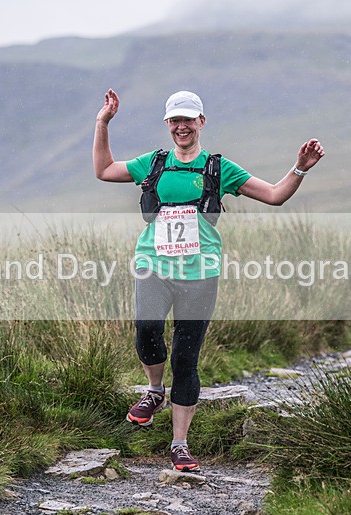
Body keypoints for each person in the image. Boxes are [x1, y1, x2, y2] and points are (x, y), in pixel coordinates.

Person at [93, 88, 324, 472]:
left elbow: (274, 195)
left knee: (186, 358)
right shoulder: (153, 163)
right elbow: (104, 170)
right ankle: (153, 392)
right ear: (167, 125)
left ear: (201, 122)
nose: (181, 126)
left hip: (201, 273)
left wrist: (299, 167)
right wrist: (102, 123)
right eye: (174, 121)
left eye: (188, 119)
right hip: (153, 264)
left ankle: (179, 444)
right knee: (146, 330)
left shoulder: (220, 169)